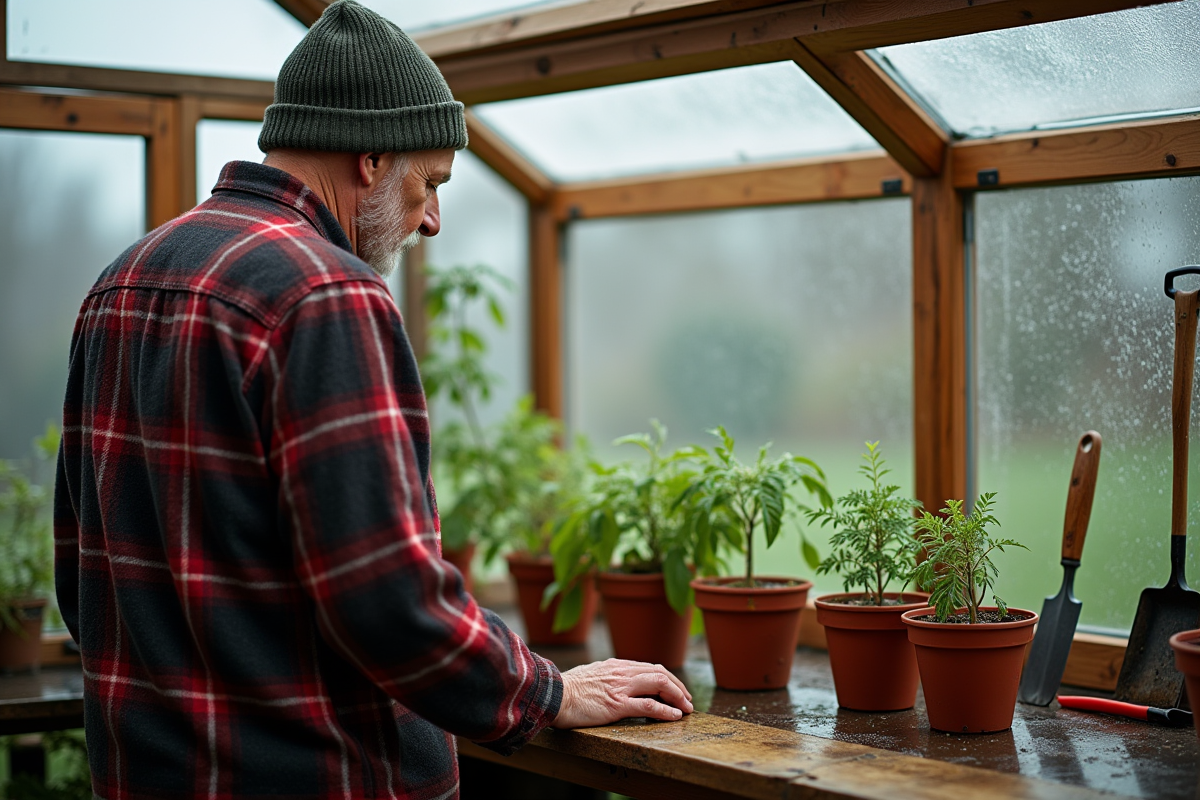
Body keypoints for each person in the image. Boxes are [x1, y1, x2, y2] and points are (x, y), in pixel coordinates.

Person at [52, 2, 691, 797]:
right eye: (429, 182)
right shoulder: (325, 293)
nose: (433, 220)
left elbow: (83, 579)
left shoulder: (122, 281)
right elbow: (388, 596)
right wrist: (547, 690)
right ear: (371, 156)